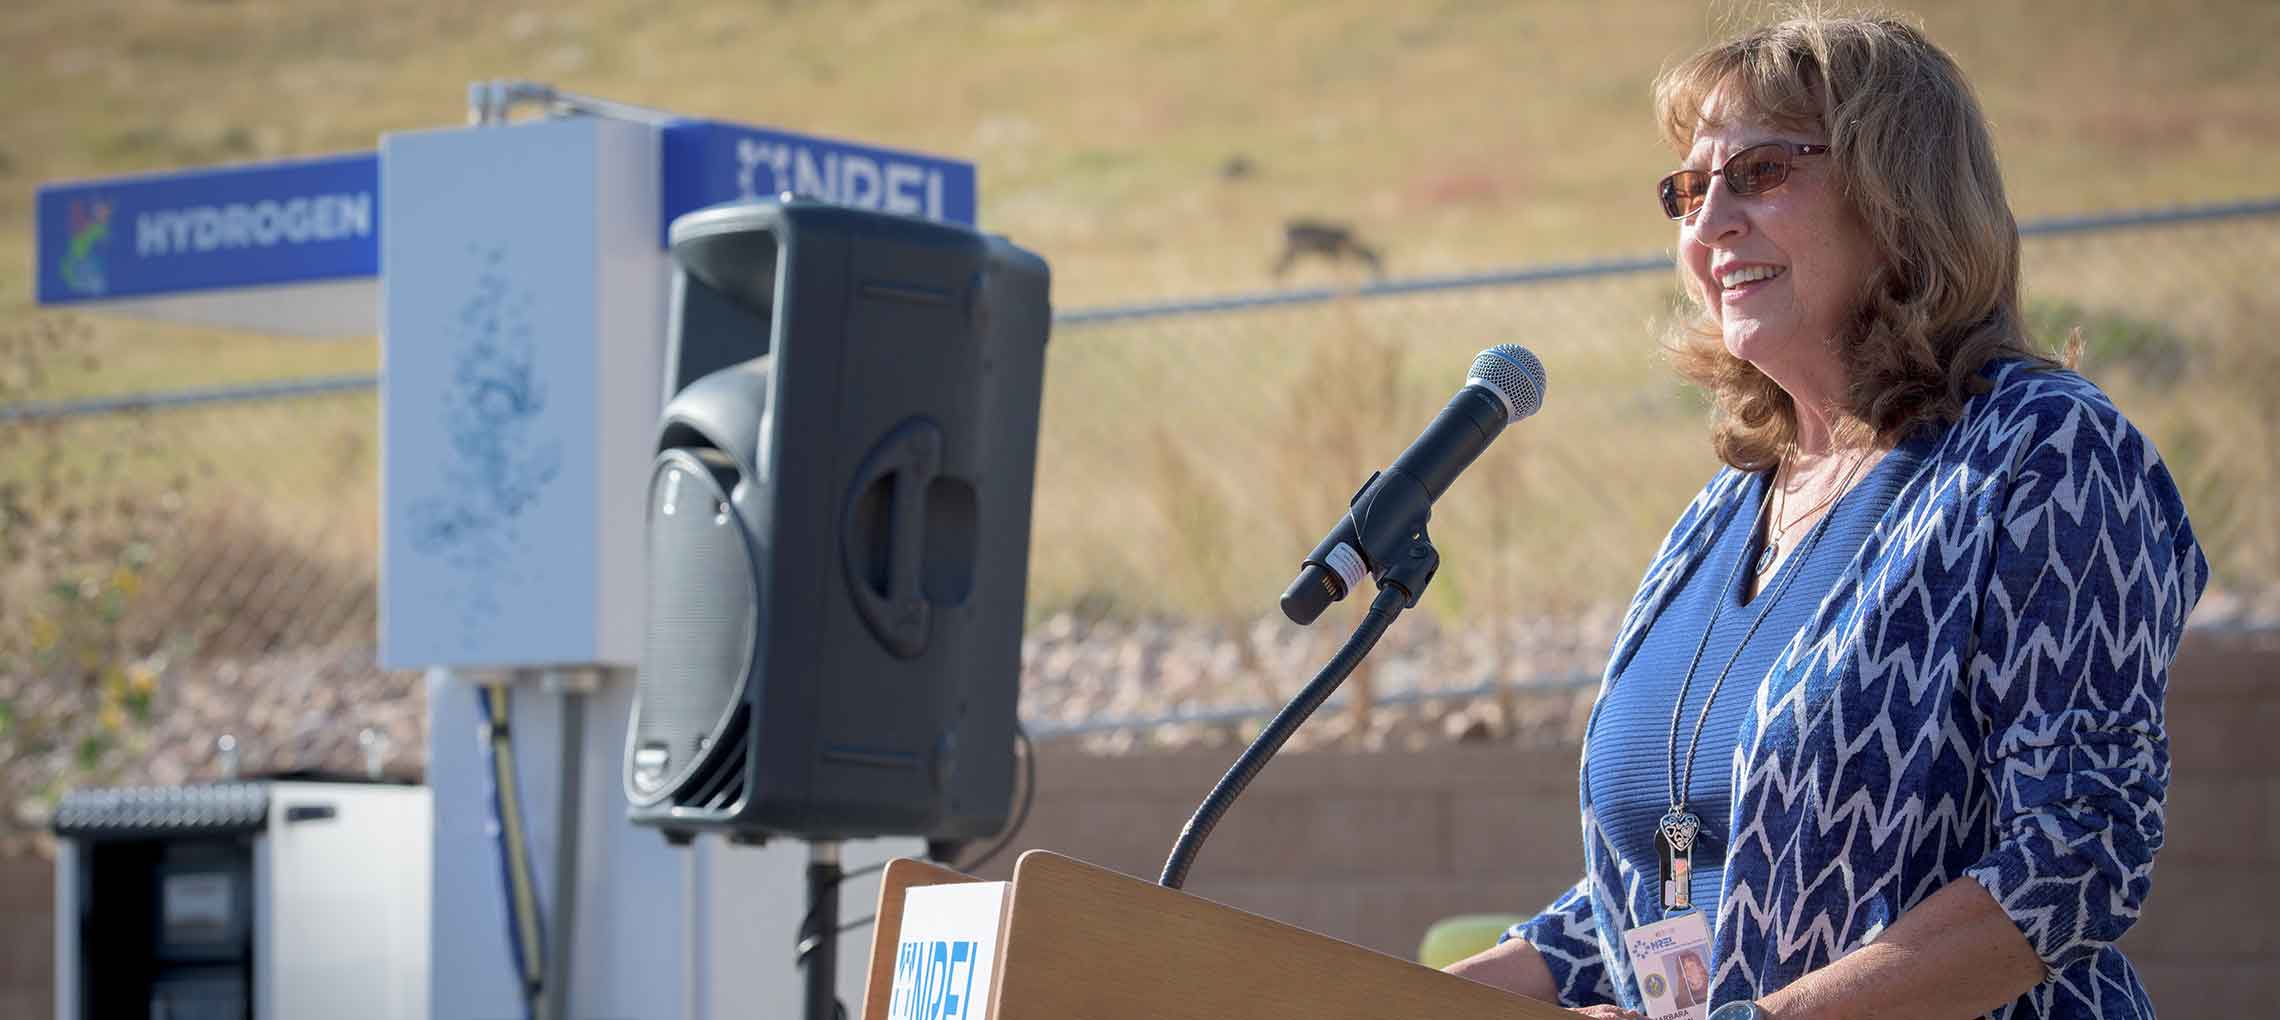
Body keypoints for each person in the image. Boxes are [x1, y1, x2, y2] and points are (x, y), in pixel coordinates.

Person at [1445, 11, 2205, 1020]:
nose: (1709, 223)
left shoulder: (2045, 455)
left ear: (1898, 194)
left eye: (1760, 171)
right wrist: (1349, 1001)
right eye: (1687, 189)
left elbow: (2077, 854)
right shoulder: (1725, 510)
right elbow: (1662, 888)